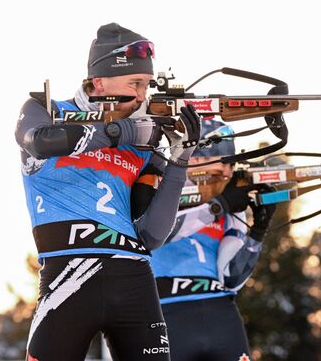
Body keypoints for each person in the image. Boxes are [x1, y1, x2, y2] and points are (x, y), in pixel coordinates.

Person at [15, 22, 200, 361]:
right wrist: (119, 131)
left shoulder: (143, 140)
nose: (143, 95)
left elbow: (152, 235)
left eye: (147, 85)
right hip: (67, 277)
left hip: (134, 281)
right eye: (136, 83)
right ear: (99, 81)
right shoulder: (45, 109)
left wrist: (179, 160)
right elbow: (40, 142)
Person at [133, 119, 276, 360]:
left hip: (220, 312)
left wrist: (258, 232)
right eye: (213, 165)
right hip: (165, 312)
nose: (222, 174)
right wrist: (215, 208)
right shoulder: (163, 188)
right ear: (193, 161)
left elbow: (231, 278)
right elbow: (155, 234)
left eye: (227, 167)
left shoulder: (229, 201)